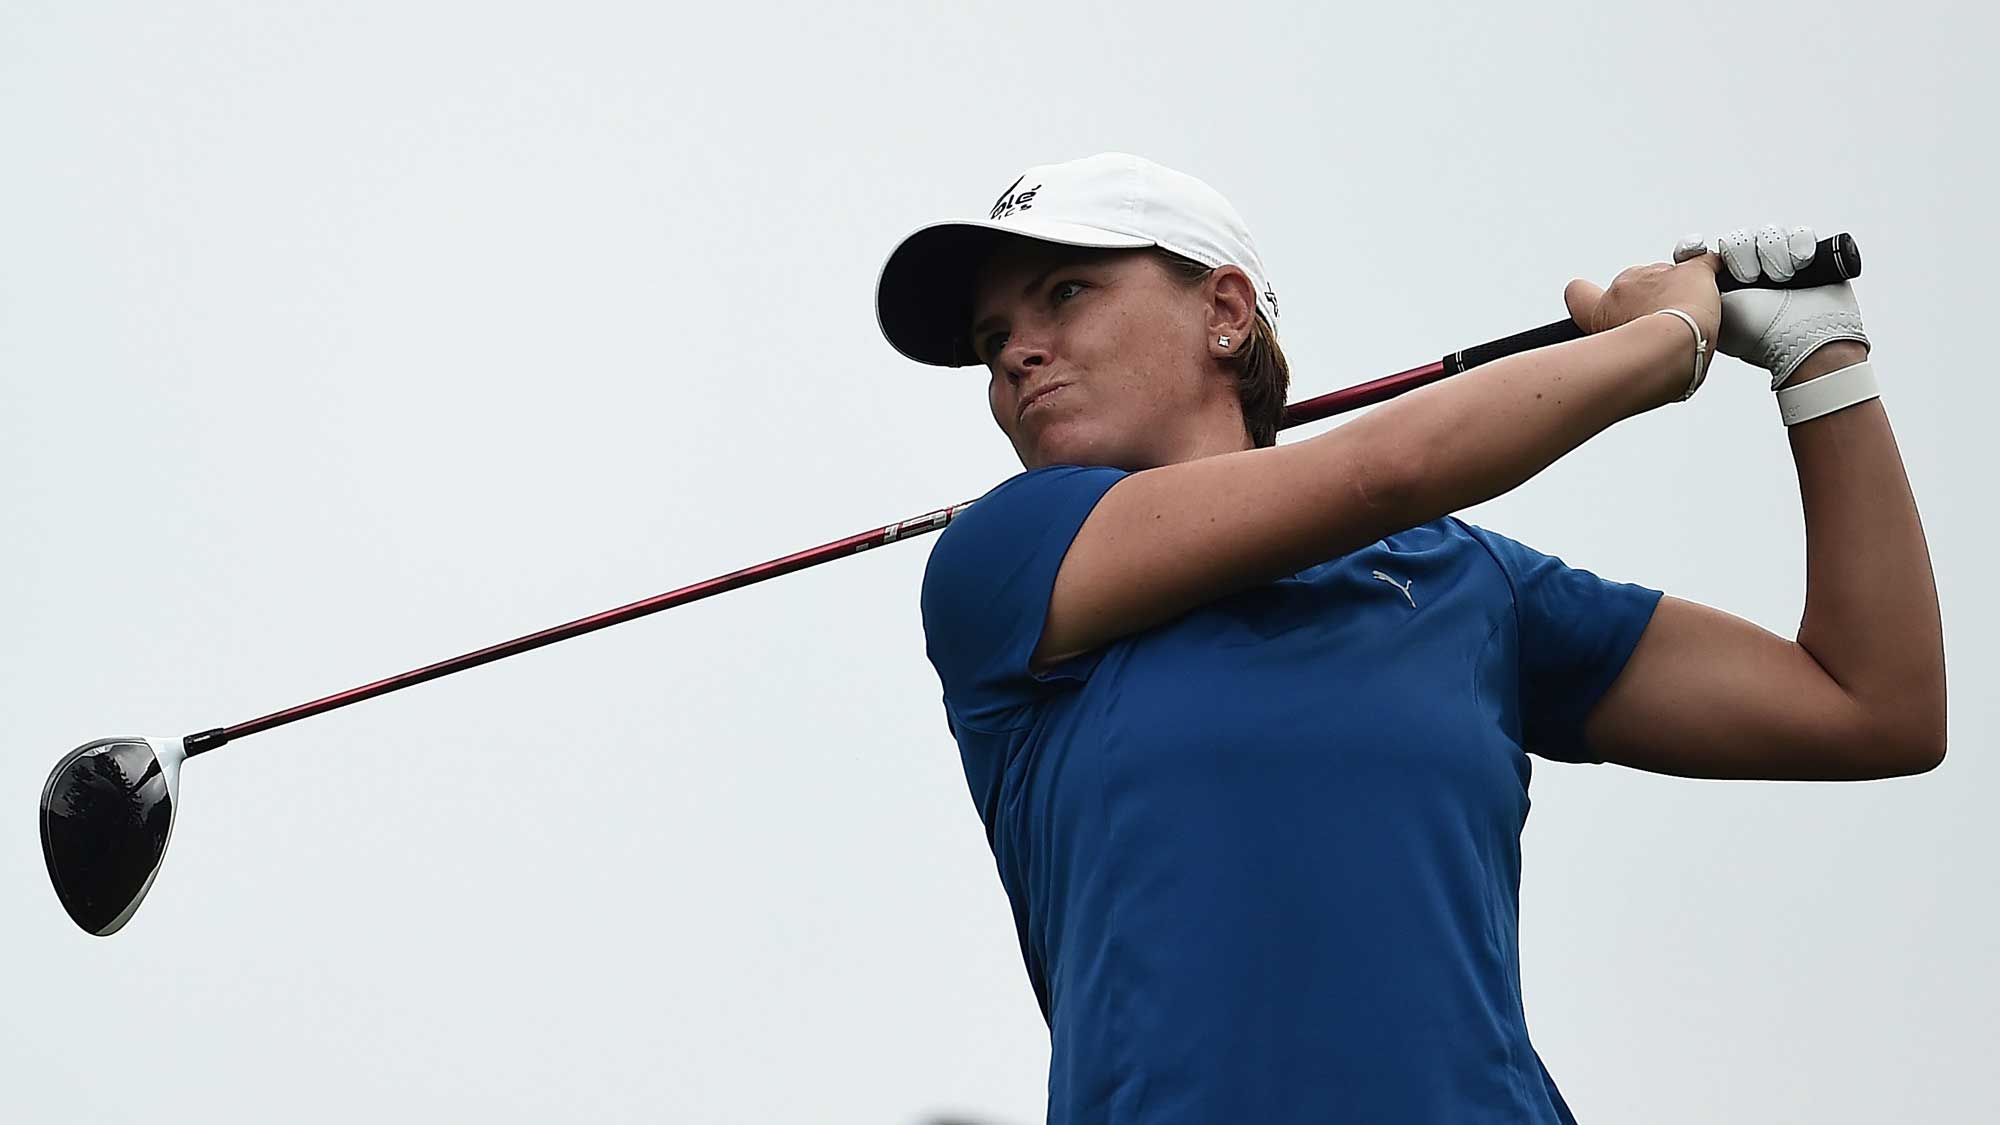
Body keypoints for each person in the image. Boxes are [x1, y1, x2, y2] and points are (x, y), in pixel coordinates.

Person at [875, 153, 1944, 1124]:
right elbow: (1386, 471)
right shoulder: (1003, 561)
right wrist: (1668, 341)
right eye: (991, 340)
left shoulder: (1464, 581)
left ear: (1226, 313)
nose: (1017, 354)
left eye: (1066, 292)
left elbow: (1870, 706)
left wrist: (1818, 355)